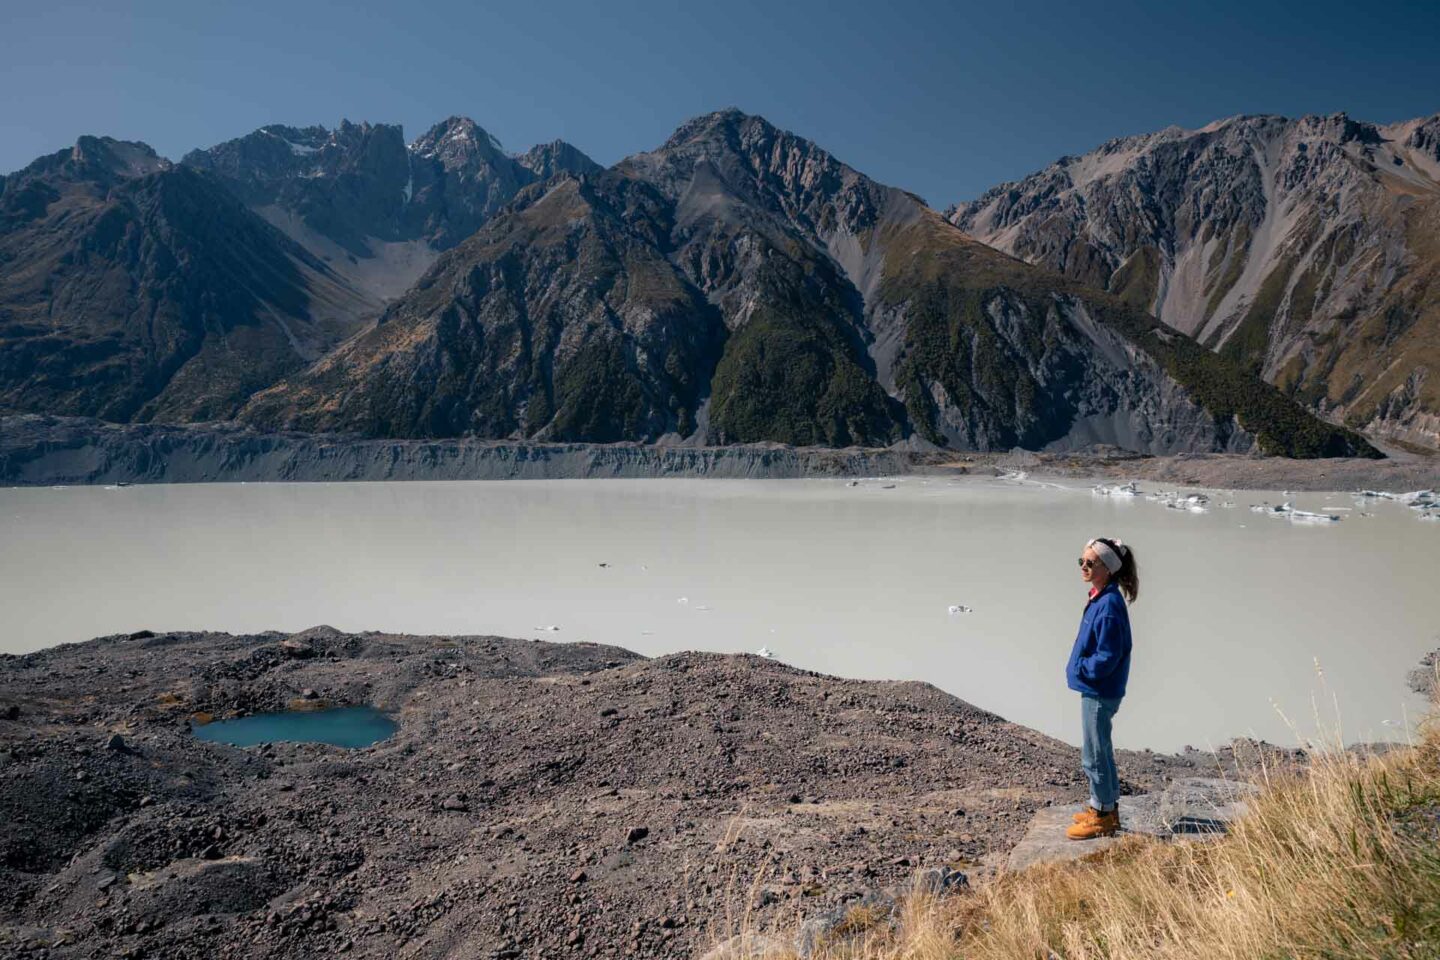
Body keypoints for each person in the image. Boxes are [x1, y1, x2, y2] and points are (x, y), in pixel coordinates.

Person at [1064, 536, 1138, 840]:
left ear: (1106, 568)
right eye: (1081, 561)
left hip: (1099, 689)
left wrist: (1082, 669)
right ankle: (1101, 806)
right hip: (1098, 687)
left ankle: (1104, 816)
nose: (1083, 566)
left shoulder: (1107, 604)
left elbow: (1108, 655)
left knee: (1094, 753)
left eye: (1090, 563)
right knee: (1099, 749)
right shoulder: (1102, 596)